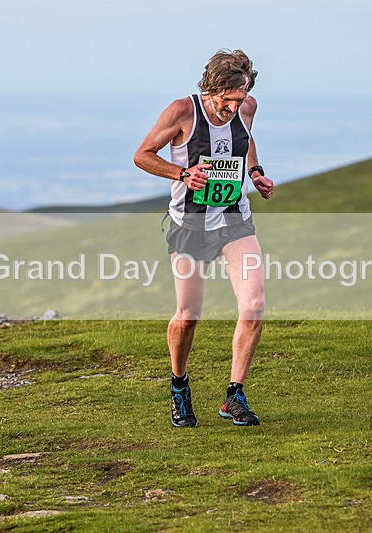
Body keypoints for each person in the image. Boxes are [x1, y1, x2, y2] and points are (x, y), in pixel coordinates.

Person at [134, 49, 274, 427]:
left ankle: (234, 395)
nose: (232, 109)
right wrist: (182, 174)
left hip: (234, 221)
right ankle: (179, 385)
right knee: (188, 318)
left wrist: (256, 172)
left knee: (254, 305)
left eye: (239, 101)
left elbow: (246, 140)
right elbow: (142, 155)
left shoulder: (246, 107)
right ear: (212, 89)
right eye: (226, 101)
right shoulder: (182, 111)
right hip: (191, 225)